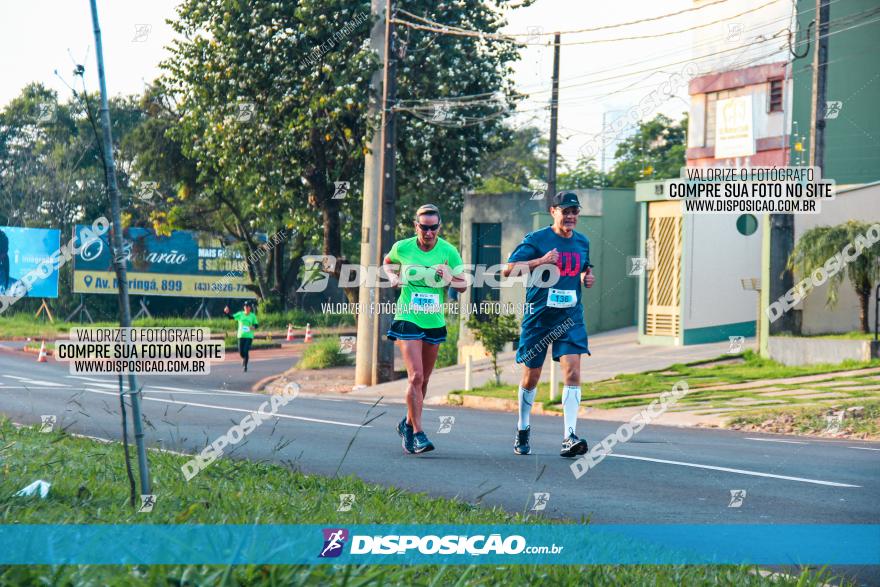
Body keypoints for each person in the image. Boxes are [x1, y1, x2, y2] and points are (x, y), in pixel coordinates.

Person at [502, 191, 596, 457]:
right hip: (539, 317)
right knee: (532, 375)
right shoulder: (537, 239)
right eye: (565, 211)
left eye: (574, 212)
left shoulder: (582, 242)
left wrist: (587, 278)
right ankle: (522, 427)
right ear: (553, 211)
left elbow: (583, 269)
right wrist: (541, 261)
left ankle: (569, 436)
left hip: (570, 317)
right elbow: (508, 270)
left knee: (573, 372)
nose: (570, 216)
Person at [383, 204, 467, 454]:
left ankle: (407, 424)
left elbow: (463, 287)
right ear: (415, 226)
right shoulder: (403, 247)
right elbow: (387, 262)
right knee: (416, 376)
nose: (429, 232)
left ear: (438, 227)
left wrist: (449, 277)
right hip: (408, 315)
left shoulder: (448, 251)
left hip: (434, 321)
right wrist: (392, 277)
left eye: (433, 227)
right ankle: (419, 433)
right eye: (424, 227)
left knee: (425, 380)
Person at [224, 301, 259, 371]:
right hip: (240, 336)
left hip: (249, 336)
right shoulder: (240, 314)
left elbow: (256, 325)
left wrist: (251, 328)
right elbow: (230, 317)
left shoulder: (252, 316)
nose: (246, 307)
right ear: (244, 307)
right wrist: (226, 313)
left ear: (250, 308)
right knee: (241, 353)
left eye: (247, 306)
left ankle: (245, 366)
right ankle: (244, 358)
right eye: (245, 306)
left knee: (246, 351)